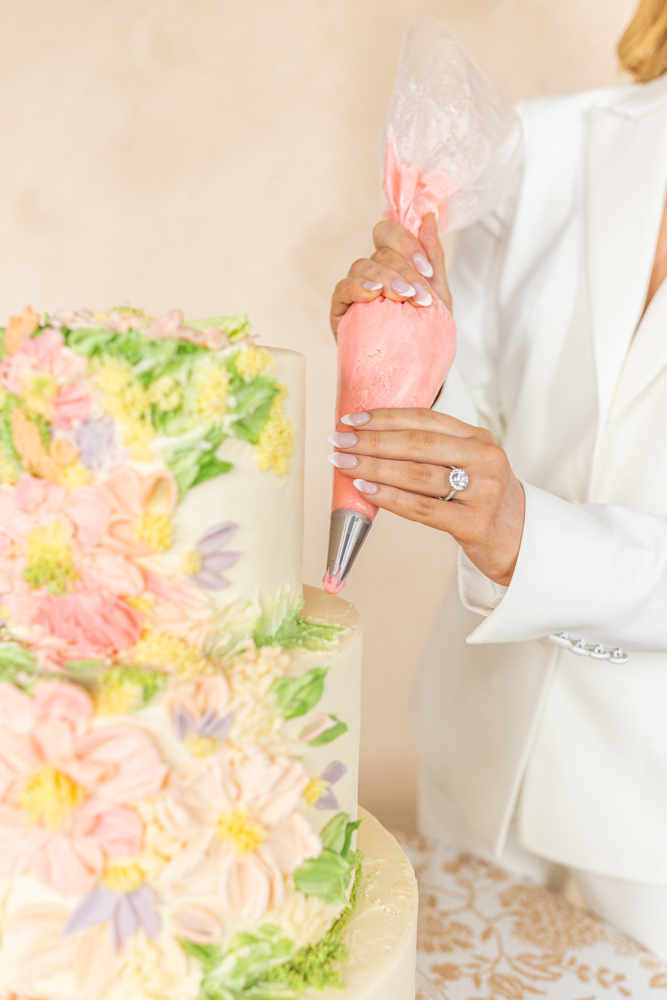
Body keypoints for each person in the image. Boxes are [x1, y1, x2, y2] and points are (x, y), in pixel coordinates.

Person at [327, 0, 667, 957]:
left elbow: (509, 512)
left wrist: (522, 532)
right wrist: (406, 347)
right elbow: (470, 418)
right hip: (477, 753)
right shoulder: (547, 148)